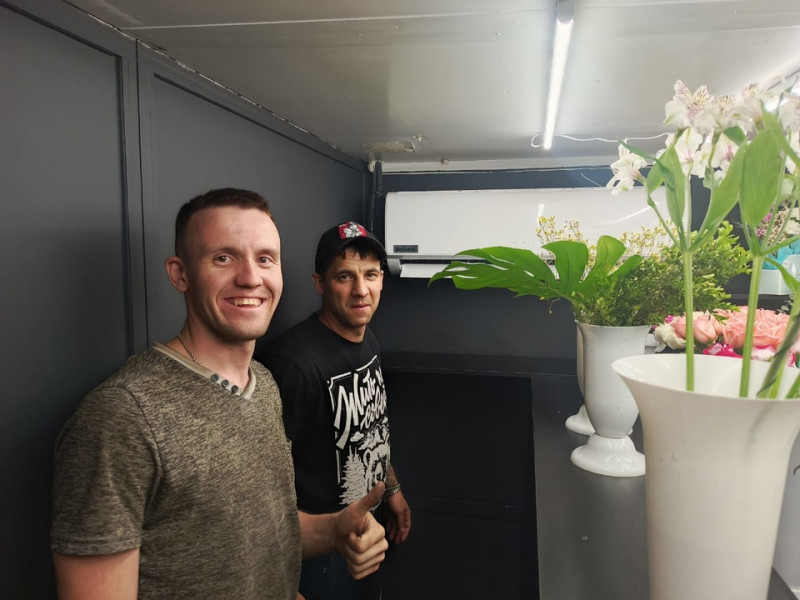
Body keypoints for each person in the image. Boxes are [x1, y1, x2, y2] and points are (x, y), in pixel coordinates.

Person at [50, 189, 388, 600]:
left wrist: (334, 531)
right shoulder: (122, 417)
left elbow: (264, 536)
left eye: (265, 258)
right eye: (224, 258)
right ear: (180, 274)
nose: (250, 278)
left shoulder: (263, 385)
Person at [257, 221, 412, 600]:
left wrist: (391, 488)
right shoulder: (293, 363)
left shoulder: (366, 337)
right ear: (320, 283)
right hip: (318, 550)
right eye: (345, 276)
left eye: (371, 274)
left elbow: (371, 427)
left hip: (368, 528)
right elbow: (260, 483)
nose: (361, 290)